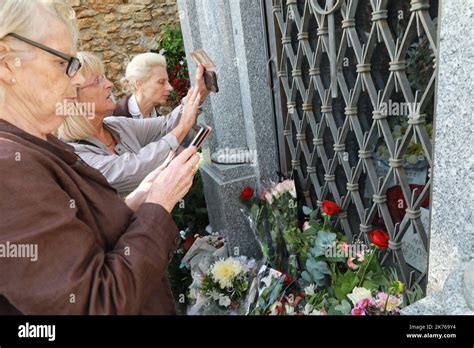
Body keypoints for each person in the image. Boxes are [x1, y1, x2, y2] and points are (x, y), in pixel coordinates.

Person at [0, 0, 199, 314]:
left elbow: (84, 235)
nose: (77, 80)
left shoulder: (37, 144)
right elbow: (96, 303)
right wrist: (159, 205)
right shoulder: (8, 169)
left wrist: (137, 201)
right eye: (63, 63)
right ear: (8, 65)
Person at [58, 51, 203, 197]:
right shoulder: (76, 154)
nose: (109, 84)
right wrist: (183, 127)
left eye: (104, 78)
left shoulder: (116, 125)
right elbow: (134, 169)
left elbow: (166, 125)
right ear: (73, 96)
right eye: (97, 81)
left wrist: (201, 89)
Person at [114, 52, 209, 119]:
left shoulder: (156, 117)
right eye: (161, 82)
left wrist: (201, 91)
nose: (170, 87)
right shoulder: (114, 118)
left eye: (167, 81)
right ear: (139, 84)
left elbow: (179, 128)